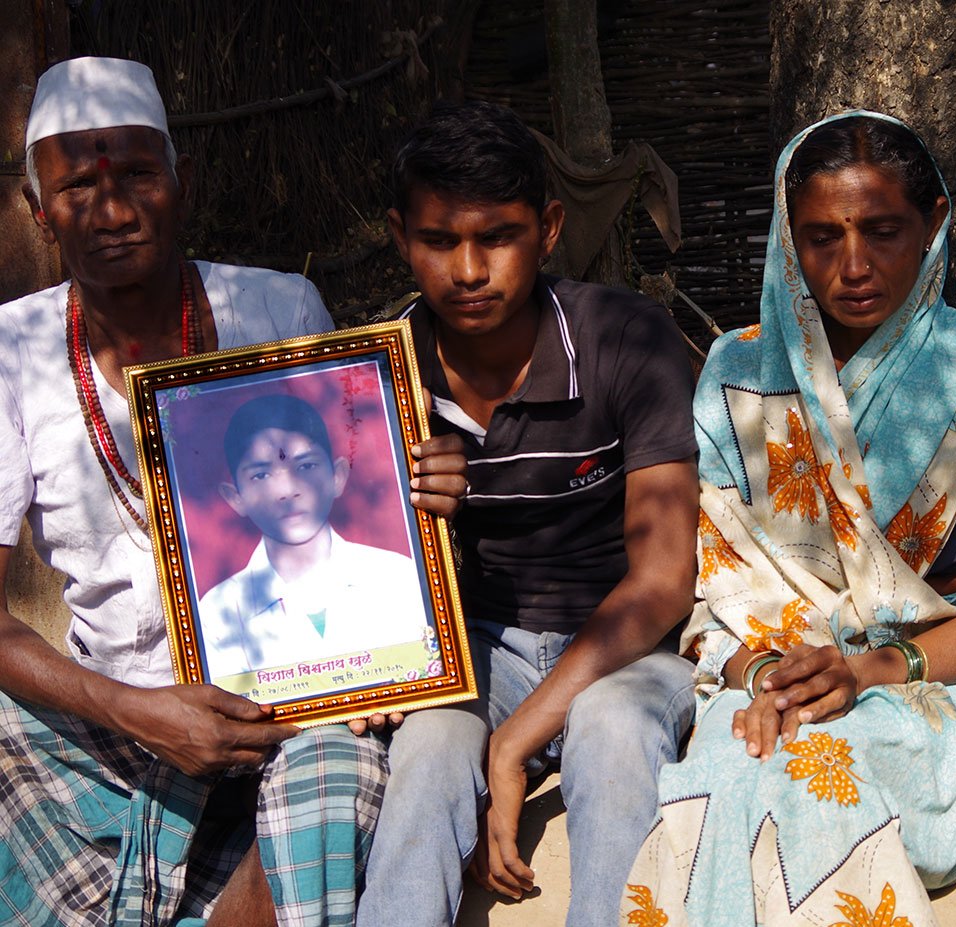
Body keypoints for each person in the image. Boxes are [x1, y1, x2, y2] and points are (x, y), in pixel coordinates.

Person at [0, 57, 465, 927]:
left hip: (292, 709)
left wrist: (419, 489)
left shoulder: (278, 307)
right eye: (77, 187)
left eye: (139, 173)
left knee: (337, 773)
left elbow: (368, 501)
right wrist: (140, 712)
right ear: (40, 212)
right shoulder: (9, 350)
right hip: (118, 717)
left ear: (183, 181)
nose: (113, 208)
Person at [622, 111, 956, 927]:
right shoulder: (737, 374)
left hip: (931, 686)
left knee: (810, 773)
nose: (853, 266)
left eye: (883, 231)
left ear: (934, 226)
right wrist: (767, 679)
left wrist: (865, 672)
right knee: (729, 776)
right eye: (820, 238)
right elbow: (717, 596)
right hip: (763, 679)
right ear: (788, 241)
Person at [355, 100, 700, 927]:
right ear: (401, 236)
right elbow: (355, 576)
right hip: (481, 649)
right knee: (431, 749)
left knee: (614, 733)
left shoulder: (623, 337)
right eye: (439, 241)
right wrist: (403, 516)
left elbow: (663, 579)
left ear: (547, 230)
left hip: (633, 646)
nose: (469, 270)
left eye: (497, 236)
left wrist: (512, 746)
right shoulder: (374, 375)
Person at [199, 394, 428, 680]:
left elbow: (423, 673)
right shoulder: (218, 610)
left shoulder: (397, 576)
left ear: (338, 476)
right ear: (235, 498)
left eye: (305, 466)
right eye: (261, 475)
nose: (286, 489)